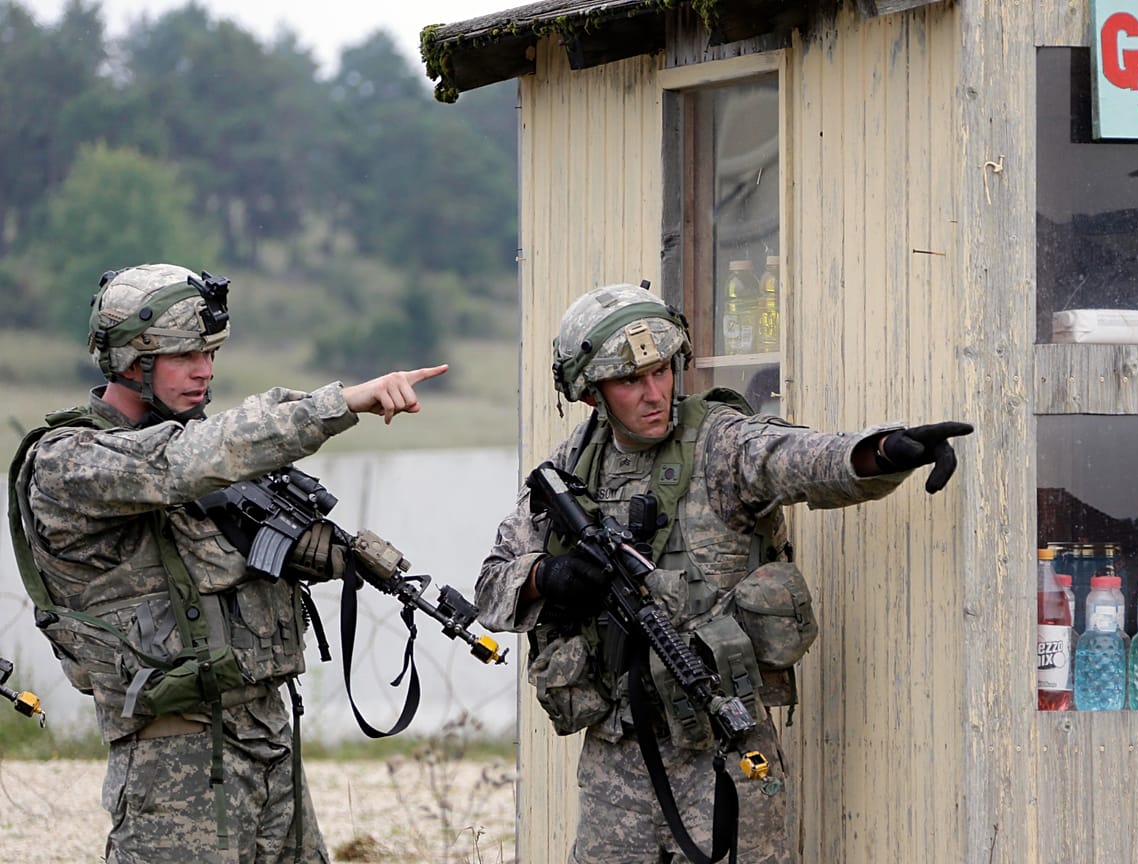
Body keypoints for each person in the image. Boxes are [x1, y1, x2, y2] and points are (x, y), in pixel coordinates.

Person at [476, 282, 972, 864]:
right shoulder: (570, 470)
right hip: (618, 759)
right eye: (632, 380)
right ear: (591, 393)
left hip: (723, 746)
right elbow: (492, 587)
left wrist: (885, 450)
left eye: (662, 371)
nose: (655, 392)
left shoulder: (721, 443)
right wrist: (548, 578)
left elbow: (800, 459)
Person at [7, 263, 448, 864]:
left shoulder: (201, 456)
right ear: (133, 359)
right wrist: (340, 403)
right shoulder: (70, 461)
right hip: (175, 761)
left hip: (267, 739)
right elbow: (174, 464)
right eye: (185, 355)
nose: (204, 371)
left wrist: (317, 555)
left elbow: (212, 546)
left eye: (210, 353)